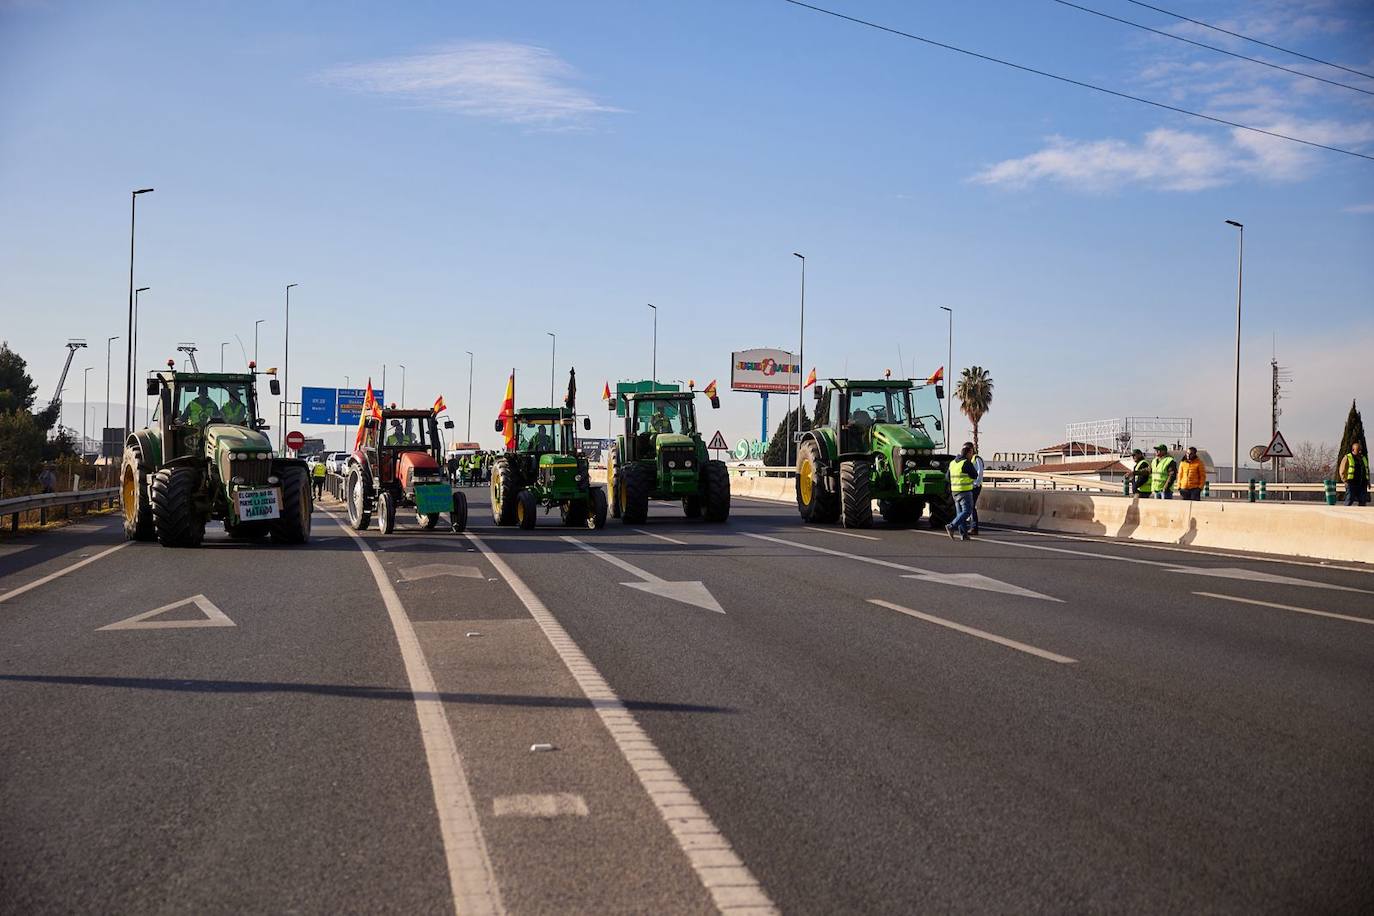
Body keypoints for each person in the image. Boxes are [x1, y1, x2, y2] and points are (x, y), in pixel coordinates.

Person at [945, 443, 978, 541]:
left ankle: (964, 535)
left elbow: (947, 477)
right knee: (967, 511)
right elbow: (974, 475)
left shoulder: (953, 463)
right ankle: (951, 526)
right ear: (968, 452)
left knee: (960, 513)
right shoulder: (966, 463)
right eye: (972, 453)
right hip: (965, 491)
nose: (972, 455)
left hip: (954, 491)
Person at [1339, 441, 1370, 507]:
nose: (1360, 452)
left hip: (1362, 484)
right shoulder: (1348, 457)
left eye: (1360, 450)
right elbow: (1342, 470)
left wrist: (1368, 481)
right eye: (1358, 450)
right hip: (1351, 483)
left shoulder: (1363, 458)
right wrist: (1345, 481)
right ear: (1353, 449)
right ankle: (1346, 514)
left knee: (1362, 501)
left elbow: (1366, 470)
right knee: (1349, 500)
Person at [967, 442, 985, 535]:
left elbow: (980, 472)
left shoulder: (976, 459)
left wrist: (976, 484)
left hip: (974, 487)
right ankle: (972, 527)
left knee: (971, 506)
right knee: (970, 507)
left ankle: (974, 527)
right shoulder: (968, 459)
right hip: (970, 486)